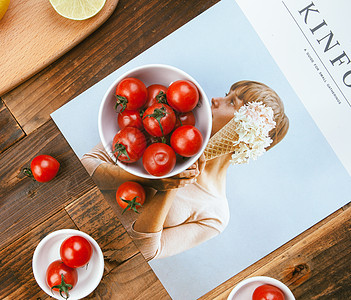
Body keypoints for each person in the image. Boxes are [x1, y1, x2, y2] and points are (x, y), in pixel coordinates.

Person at [81, 80, 289, 260]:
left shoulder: (215, 213)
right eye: (227, 95)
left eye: (232, 102)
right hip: (78, 203)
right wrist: (151, 180)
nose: (216, 99)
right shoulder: (163, 121)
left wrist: (169, 186)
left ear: (249, 136)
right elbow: (86, 165)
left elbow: (144, 252)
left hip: (93, 251)